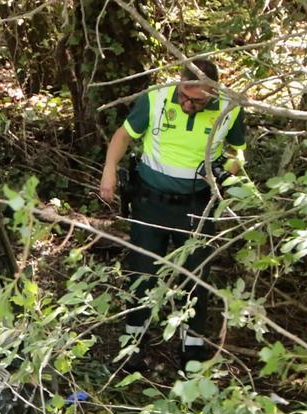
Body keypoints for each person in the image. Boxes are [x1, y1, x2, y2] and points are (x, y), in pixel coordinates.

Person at [98, 58, 245, 368]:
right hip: (150, 203)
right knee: (143, 272)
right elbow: (123, 136)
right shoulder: (157, 98)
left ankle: (191, 345)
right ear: (178, 84)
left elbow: (238, 152)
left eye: (198, 100)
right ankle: (134, 343)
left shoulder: (229, 109)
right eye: (185, 96)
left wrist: (226, 170)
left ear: (213, 92)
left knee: (195, 273)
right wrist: (109, 169)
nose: (189, 104)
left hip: (196, 205)